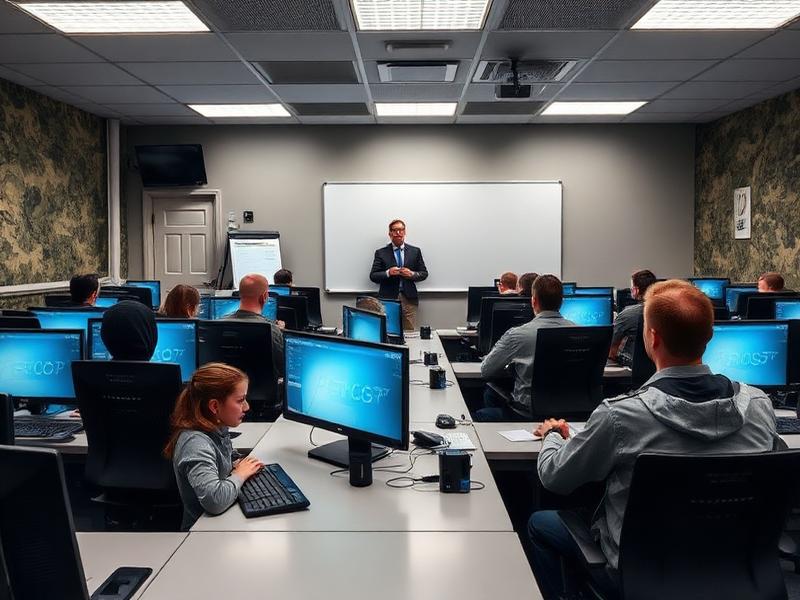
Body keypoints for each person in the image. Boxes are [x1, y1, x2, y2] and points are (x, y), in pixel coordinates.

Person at [527, 280, 783, 599]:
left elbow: (555, 477)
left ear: (652, 337)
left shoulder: (621, 415)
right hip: (736, 571)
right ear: (710, 335)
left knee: (540, 524)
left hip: (641, 576)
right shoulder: (758, 405)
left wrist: (553, 435)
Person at [164, 363, 264, 530]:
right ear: (214, 406)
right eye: (240, 400)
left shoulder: (216, 429)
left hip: (218, 525)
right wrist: (240, 474)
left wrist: (236, 465)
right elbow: (214, 501)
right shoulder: (195, 443)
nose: (247, 407)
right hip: (201, 533)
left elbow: (222, 461)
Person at [476, 275, 575, 422]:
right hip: (571, 415)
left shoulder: (518, 335)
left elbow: (486, 370)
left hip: (527, 414)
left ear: (533, 301)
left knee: (481, 412)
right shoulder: (580, 332)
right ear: (562, 301)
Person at [369, 219, 428, 331]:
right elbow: (373, 276)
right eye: (395, 230)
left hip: (409, 299)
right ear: (390, 233)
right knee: (388, 330)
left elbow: (424, 273)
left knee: (409, 331)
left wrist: (411, 274)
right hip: (388, 298)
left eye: (401, 230)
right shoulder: (381, 252)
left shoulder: (415, 251)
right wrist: (388, 273)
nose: (398, 233)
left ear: (405, 232)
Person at [224, 273, 284, 377]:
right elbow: (282, 369)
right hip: (263, 387)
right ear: (264, 296)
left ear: (239, 294)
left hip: (228, 385)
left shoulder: (217, 324)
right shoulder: (272, 330)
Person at [608, 269, 656, 366]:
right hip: (660, 366)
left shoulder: (627, 314)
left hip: (633, 369)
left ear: (636, 290)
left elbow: (610, 349)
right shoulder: (666, 312)